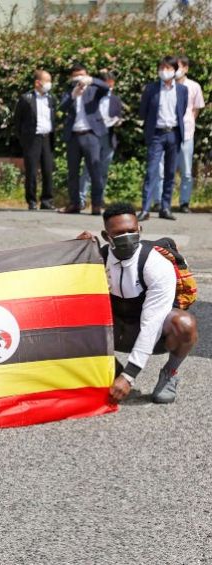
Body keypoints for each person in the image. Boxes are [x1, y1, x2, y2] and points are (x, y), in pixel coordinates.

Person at [76, 203, 198, 404]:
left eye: (132, 231)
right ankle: (112, 368)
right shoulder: (99, 258)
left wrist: (129, 376)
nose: (127, 237)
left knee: (185, 325)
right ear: (107, 237)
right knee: (73, 314)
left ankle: (170, 373)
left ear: (139, 230)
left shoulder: (157, 265)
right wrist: (78, 250)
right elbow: (66, 291)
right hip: (115, 331)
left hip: (155, 334)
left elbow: (153, 323)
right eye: (119, 233)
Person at [138, 56, 188, 221]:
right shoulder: (151, 89)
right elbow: (143, 112)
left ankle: (165, 207)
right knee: (151, 171)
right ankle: (145, 208)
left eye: (167, 68)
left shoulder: (182, 90)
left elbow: (183, 110)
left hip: (174, 133)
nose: (164, 71)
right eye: (161, 67)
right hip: (156, 134)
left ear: (175, 70)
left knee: (170, 172)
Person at [58, 63, 110, 215]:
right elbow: (62, 107)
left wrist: (91, 80)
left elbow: (106, 88)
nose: (79, 78)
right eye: (76, 75)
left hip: (90, 135)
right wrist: (74, 95)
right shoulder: (69, 91)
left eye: (81, 74)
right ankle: (74, 203)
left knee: (95, 171)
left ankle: (96, 204)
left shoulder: (93, 90)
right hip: (73, 136)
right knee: (72, 172)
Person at [78, 71, 124, 208]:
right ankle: (81, 198)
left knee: (103, 170)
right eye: (107, 84)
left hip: (108, 136)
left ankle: (99, 198)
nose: (110, 87)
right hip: (93, 135)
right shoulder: (92, 96)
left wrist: (117, 121)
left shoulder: (115, 99)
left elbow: (118, 114)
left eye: (112, 84)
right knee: (88, 169)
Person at [13, 69, 57, 210]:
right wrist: (24, 139)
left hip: (47, 138)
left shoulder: (51, 98)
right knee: (31, 171)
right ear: (38, 82)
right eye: (47, 81)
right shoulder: (26, 99)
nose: (49, 84)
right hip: (32, 139)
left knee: (48, 170)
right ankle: (31, 200)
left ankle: (47, 200)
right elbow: (18, 121)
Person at [174, 56, 205, 213]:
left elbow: (196, 109)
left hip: (186, 132)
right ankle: (158, 202)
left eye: (179, 66)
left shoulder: (194, 86)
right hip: (170, 133)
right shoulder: (167, 85)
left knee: (186, 171)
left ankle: (184, 202)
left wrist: (189, 122)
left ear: (186, 68)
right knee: (163, 170)